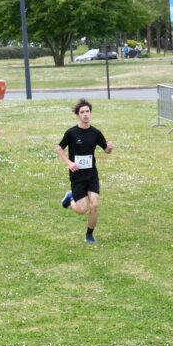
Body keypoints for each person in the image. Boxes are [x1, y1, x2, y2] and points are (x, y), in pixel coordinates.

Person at [57, 99, 114, 244]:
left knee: (94, 205)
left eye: (87, 111)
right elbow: (59, 149)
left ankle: (89, 235)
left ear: (90, 113)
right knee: (82, 209)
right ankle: (70, 198)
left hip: (91, 175)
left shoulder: (95, 133)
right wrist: (69, 163)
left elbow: (106, 150)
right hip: (77, 177)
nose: (85, 114)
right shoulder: (71, 133)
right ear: (78, 115)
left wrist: (109, 148)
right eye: (82, 112)